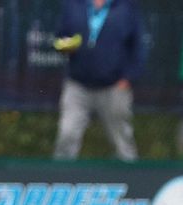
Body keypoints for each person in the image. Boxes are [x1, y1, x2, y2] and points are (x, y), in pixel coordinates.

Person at [52, 0, 145, 161]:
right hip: (77, 85)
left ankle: (131, 177)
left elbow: (138, 46)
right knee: (67, 134)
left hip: (114, 87)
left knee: (122, 139)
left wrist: (128, 78)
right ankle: (61, 178)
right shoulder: (74, 5)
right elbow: (60, 36)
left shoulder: (126, 7)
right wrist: (65, 45)